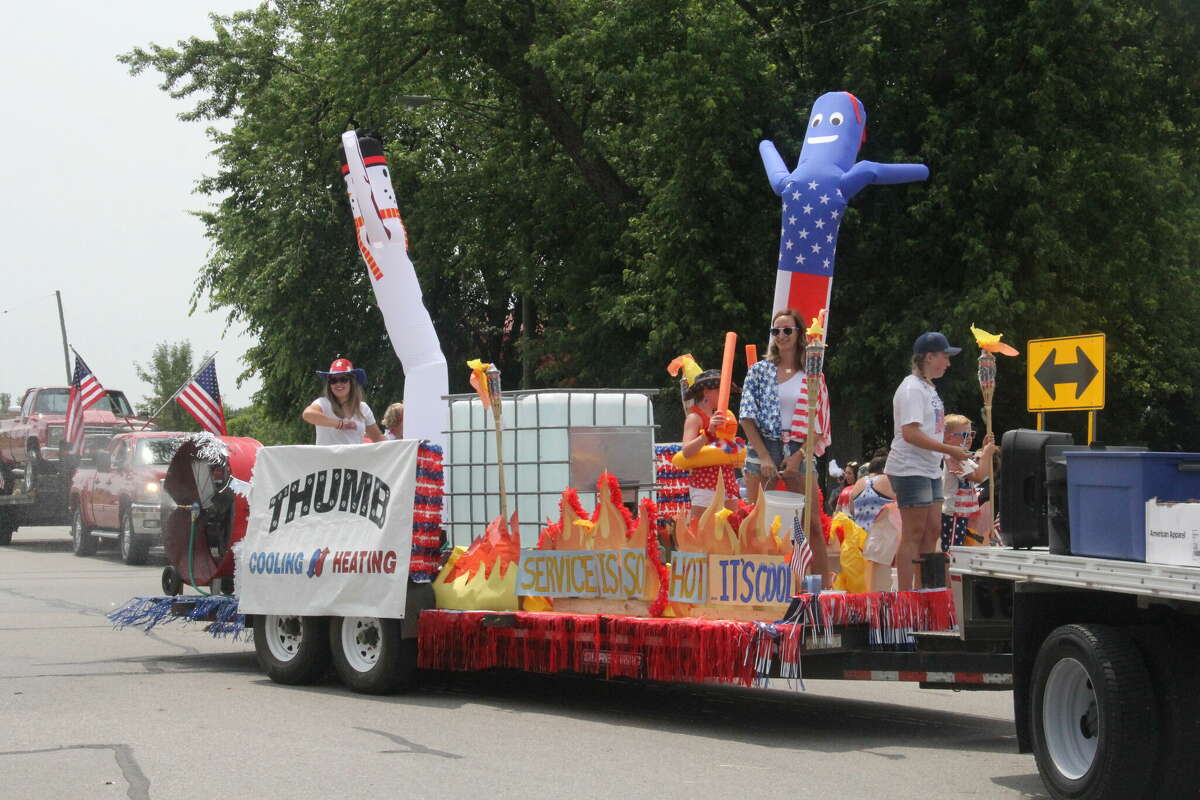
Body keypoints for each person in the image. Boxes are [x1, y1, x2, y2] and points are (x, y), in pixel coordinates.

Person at [739, 308, 831, 582]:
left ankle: (823, 588)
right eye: (775, 331)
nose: (781, 335)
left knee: (812, 523)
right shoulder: (759, 371)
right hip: (762, 446)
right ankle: (757, 585)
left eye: (787, 330)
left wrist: (799, 455)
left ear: (799, 334)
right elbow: (746, 416)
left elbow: (819, 420)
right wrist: (766, 457)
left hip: (800, 447)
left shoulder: (813, 374)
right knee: (757, 523)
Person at [884, 332, 972, 590]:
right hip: (910, 467)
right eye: (944, 356)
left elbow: (929, 429)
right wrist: (950, 449)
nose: (948, 362)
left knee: (932, 530)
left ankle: (926, 592)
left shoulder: (928, 388)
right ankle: (905, 596)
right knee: (914, 532)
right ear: (928, 357)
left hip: (929, 468)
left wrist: (948, 450)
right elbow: (910, 433)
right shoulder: (912, 388)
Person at [679, 369, 740, 518]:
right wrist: (708, 433)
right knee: (702, 531)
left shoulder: (723, 417)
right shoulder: (694, 418)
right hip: (704, 484)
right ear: (706, 392)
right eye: (721, 391)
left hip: (727, 480)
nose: (726, 395)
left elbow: (728, 448)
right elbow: (686, 451)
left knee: (731, 528)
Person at [940, 414, 996, 551]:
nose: (970, 438)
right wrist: (987, 454)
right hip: (953, 512)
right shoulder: (953, 457)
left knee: (957, 546)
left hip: (960, 512)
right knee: (952, 549)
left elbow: (985, 472)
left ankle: (951, 570)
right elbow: (978, 476)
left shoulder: (963, 457)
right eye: (965, 435)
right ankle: (949, 572)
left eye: (971, 434)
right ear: (948, 438)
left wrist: (984, 450)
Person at [302, 358, 385, 444]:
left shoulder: (363, 408)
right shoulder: (322, 403)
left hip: (355, 457)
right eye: (333, 380)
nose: (338, 384)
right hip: (328, 457)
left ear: (352, 382)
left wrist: (398, 449)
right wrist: (340, 424)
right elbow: (308, 414)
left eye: (343, 379)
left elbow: (377, 437)